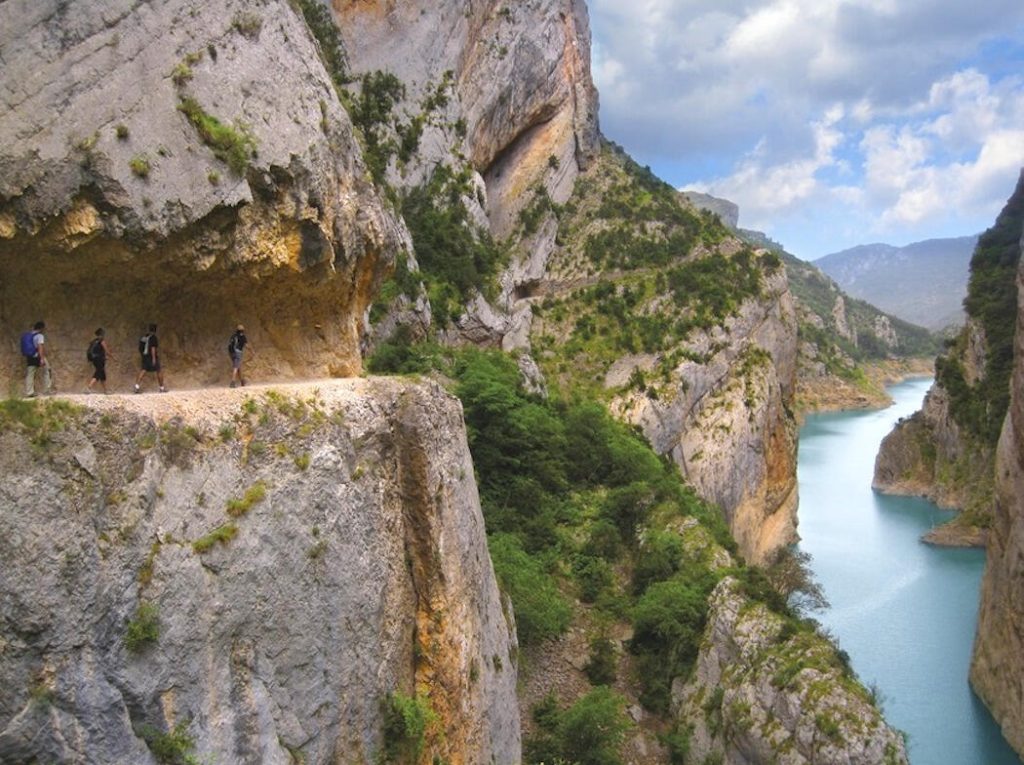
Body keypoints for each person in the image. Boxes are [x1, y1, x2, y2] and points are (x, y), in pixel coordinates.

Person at [22, 320, 52, 397]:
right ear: (41, 328)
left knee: (30, 374)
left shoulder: (29, 334)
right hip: (37, 356)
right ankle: (47, 390)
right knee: (47, 370)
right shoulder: (40, 336)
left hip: (30, 356)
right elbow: (40, 347)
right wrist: (41, 358)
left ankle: (29, 392)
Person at [134, 323, 167, 393]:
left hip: (144, 356)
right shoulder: (153, 338)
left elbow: (140, 348)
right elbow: (153, 348)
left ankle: (136, 387)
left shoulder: (144, 337)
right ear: (155, 330)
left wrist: (143, 355)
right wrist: (154, 358)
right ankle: (162, 388)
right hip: (151, 356)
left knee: (143, 370)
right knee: (159, 370)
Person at [86, 328, 115, 394]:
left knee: (102, 374)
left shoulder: (93, 341)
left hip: (94, 359)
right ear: (101, 334)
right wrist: (113, 358)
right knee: (98, 373)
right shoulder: (101, 341)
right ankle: (89, 387)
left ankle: (105, 390)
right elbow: (106, 351)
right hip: (99, 359)